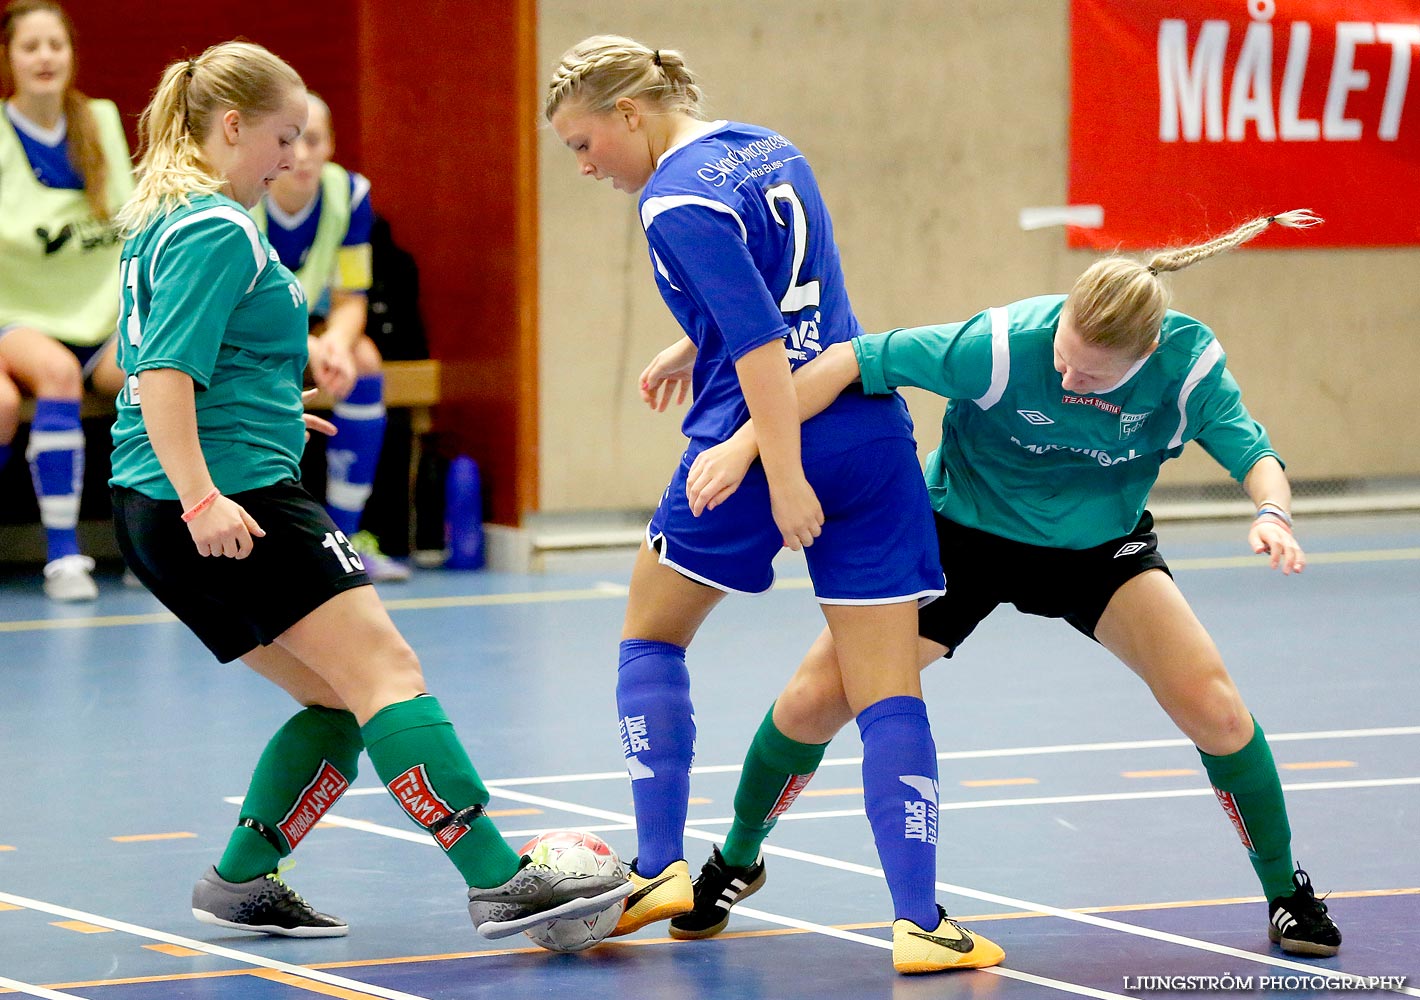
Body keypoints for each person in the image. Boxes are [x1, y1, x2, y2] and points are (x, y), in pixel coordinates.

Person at [676, 210, 1343, 959]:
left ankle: (1287, 892)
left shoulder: (1185, 370)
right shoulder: (998, 347)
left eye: (1088, 375)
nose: (1066, 378)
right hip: (961, 538)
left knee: (1217, 711)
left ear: (1144, 351)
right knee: (810, 701)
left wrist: (1274, 513)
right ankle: (737, 856)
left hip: (1100, 552)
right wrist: (744, 448)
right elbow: (843, 362)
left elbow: (1253, 451)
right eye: (1063, 357)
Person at [109, 40, 630, 941]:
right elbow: (158, 373)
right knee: (387, 676)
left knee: (335, 699)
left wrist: (269, 412)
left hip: (159, 501)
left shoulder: (169, 216)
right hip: (220, 502)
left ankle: (242, 877)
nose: (292, 158)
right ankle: (501, 877)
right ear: (232, 126)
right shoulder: (215, 228)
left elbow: (201, 365)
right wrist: (205, 492)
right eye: (283, 136)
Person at [546, 35, 1003, 975]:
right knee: (887, 692)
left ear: (630, 114)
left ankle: (660, 865)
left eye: (584, 144)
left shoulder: (673, 199)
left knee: (650, 636)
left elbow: (761, 347)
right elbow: (794, 299)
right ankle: (920, 923)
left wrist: (781, 474)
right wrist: (691, 345)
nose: (586, 167)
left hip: (763, 442)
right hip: (872, 437)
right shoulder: (765, 144)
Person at [0, 0, 132, 601]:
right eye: (31, 46)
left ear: (72, 53)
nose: (45, 57)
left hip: (101, 319)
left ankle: (148, 545)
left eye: (56, 44)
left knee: (154, 378)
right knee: (55, 373)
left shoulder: (99, 121)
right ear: (10, 58)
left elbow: (135, 215)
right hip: (19, 317)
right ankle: (63, 556)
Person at [251, 91, 408, 582]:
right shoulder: (244, 194)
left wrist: (335, 343)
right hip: (247, 328)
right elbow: (237, 302)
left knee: (363, 360)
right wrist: (303, 343)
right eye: (289, 141)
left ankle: (345, 536)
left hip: (313, 328)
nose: (300, 155)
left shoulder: (349, 194)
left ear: (331, 146)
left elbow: (351, 295)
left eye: (312, 140)